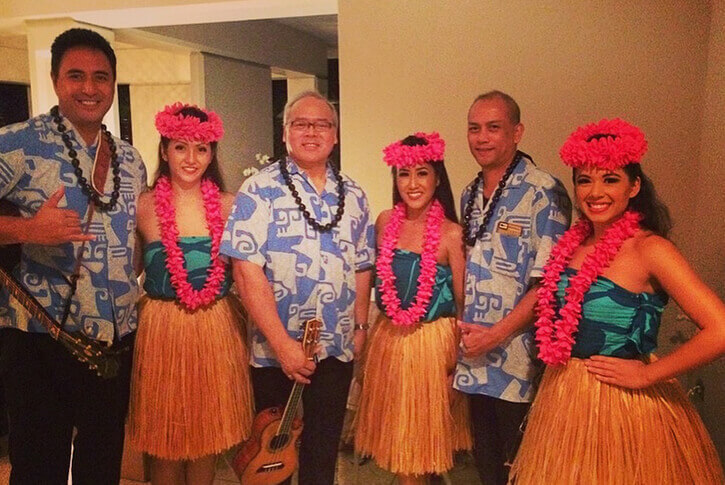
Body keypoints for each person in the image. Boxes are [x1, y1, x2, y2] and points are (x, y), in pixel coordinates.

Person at [508, 118, 725, 484]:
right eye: (584, 180)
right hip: (562, 398)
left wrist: (648, 373)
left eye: (610, 179)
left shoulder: (651, 249)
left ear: (634, 186)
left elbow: (719, 330)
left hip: (623, 408)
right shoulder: (572, 245)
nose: (595, 192)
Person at [0, 28, 147, 484]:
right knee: (39, 467)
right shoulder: (16, 143)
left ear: (113, 83)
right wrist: (27, 230)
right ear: (55, 79)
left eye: (101, 77)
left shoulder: (130, 158)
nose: (89, 88)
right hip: (39, 338)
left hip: (114, 342)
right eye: (76, 76)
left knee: (102, 466)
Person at [220, 90, 375, 485]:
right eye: (301, 124)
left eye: (322, 124)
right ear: (286, 133)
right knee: (274, 459)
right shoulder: (259, 190)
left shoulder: (354, 195)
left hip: (336, 347)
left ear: (335, 135)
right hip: (276, 350)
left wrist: (359, 327)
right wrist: (283, 344)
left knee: (323, 452)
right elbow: (245, 270)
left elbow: (361, 265)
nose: (312, 132)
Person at [127, 103, 254, 484]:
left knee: (206, 439)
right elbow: (128, 272)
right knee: (165, 438)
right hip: (161, 332)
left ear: (213, 153)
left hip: (216, 329)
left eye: (201, 148)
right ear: (164, 150)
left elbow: (249, 276)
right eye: (180, 147)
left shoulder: (232, 207)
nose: (190, 158)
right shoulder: (143, 207)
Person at [453, 90, 572, 484]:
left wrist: (496, 335)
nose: (482, 138)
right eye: (474, 128)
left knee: (523, 466)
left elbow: (547, 284)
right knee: (485, 461)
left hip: (520, 359)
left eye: (493, 128)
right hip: (476, 355)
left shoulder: (544, 191)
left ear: (517, 132)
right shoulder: (470, 194)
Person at [354, 132, 472, 483]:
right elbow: (370, 279)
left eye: (422, 173)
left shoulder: (452, 234)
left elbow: (465, 306)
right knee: (398, 448)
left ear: (437, 177)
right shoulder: (384, 222)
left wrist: (458, 367)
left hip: (432, 348)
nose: (412, 183)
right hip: (389, 340)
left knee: (421, 449)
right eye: (403, 174)